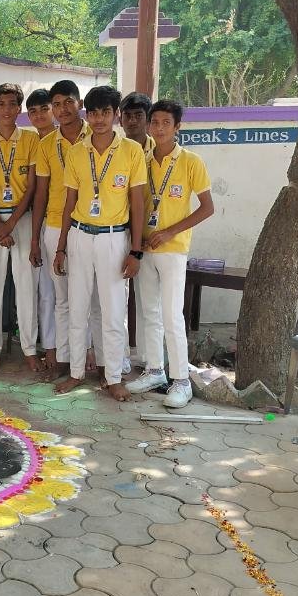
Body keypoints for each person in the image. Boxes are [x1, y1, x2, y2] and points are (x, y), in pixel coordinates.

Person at [53, 85, 146, 402]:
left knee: (113, 312)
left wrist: (136, 250)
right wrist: (61, 247)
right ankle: (76, 372)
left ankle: (114, 377)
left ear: (116, 114)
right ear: (87, 115)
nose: (99, 119)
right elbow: (69, 202)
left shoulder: (131, 151)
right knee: (77, 308)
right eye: (93, 113)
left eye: (106, 112)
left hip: (114, 238)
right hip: (80, 236)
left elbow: (138, 203)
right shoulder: (77, 153)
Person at [127, 100, 214, 409]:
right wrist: (137, 242)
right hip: (145, 248)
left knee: (172, 315)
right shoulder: (142, 160)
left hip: (173, 250)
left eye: (166, 123)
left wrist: (170, 231)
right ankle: (154, 371)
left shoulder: (191, 161)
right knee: (148, 312)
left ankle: (181, 381)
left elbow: (207, 208)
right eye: (155, 122)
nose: (160, 128)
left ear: (177, 127)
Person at [0, 83, 41, 371]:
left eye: (12, 104)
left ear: (19, 108)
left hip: (22, 220)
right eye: (1, 104)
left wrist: (11, 224)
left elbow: (32, 187)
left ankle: (29, 348)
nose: (6, 109)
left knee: (27, 286)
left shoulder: (30, 139)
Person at [30, 80, 91, 380]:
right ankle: (64, 359)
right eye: (57, 104)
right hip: (54, 227)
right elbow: (40, 194)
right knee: (62, 298)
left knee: (90, 298)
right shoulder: (46, 145)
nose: (63, 109)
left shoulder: (96, 136)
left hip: (90, 225)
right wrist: (35, 239)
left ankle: (91, 355)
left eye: (68, 102)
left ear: (80, 103)